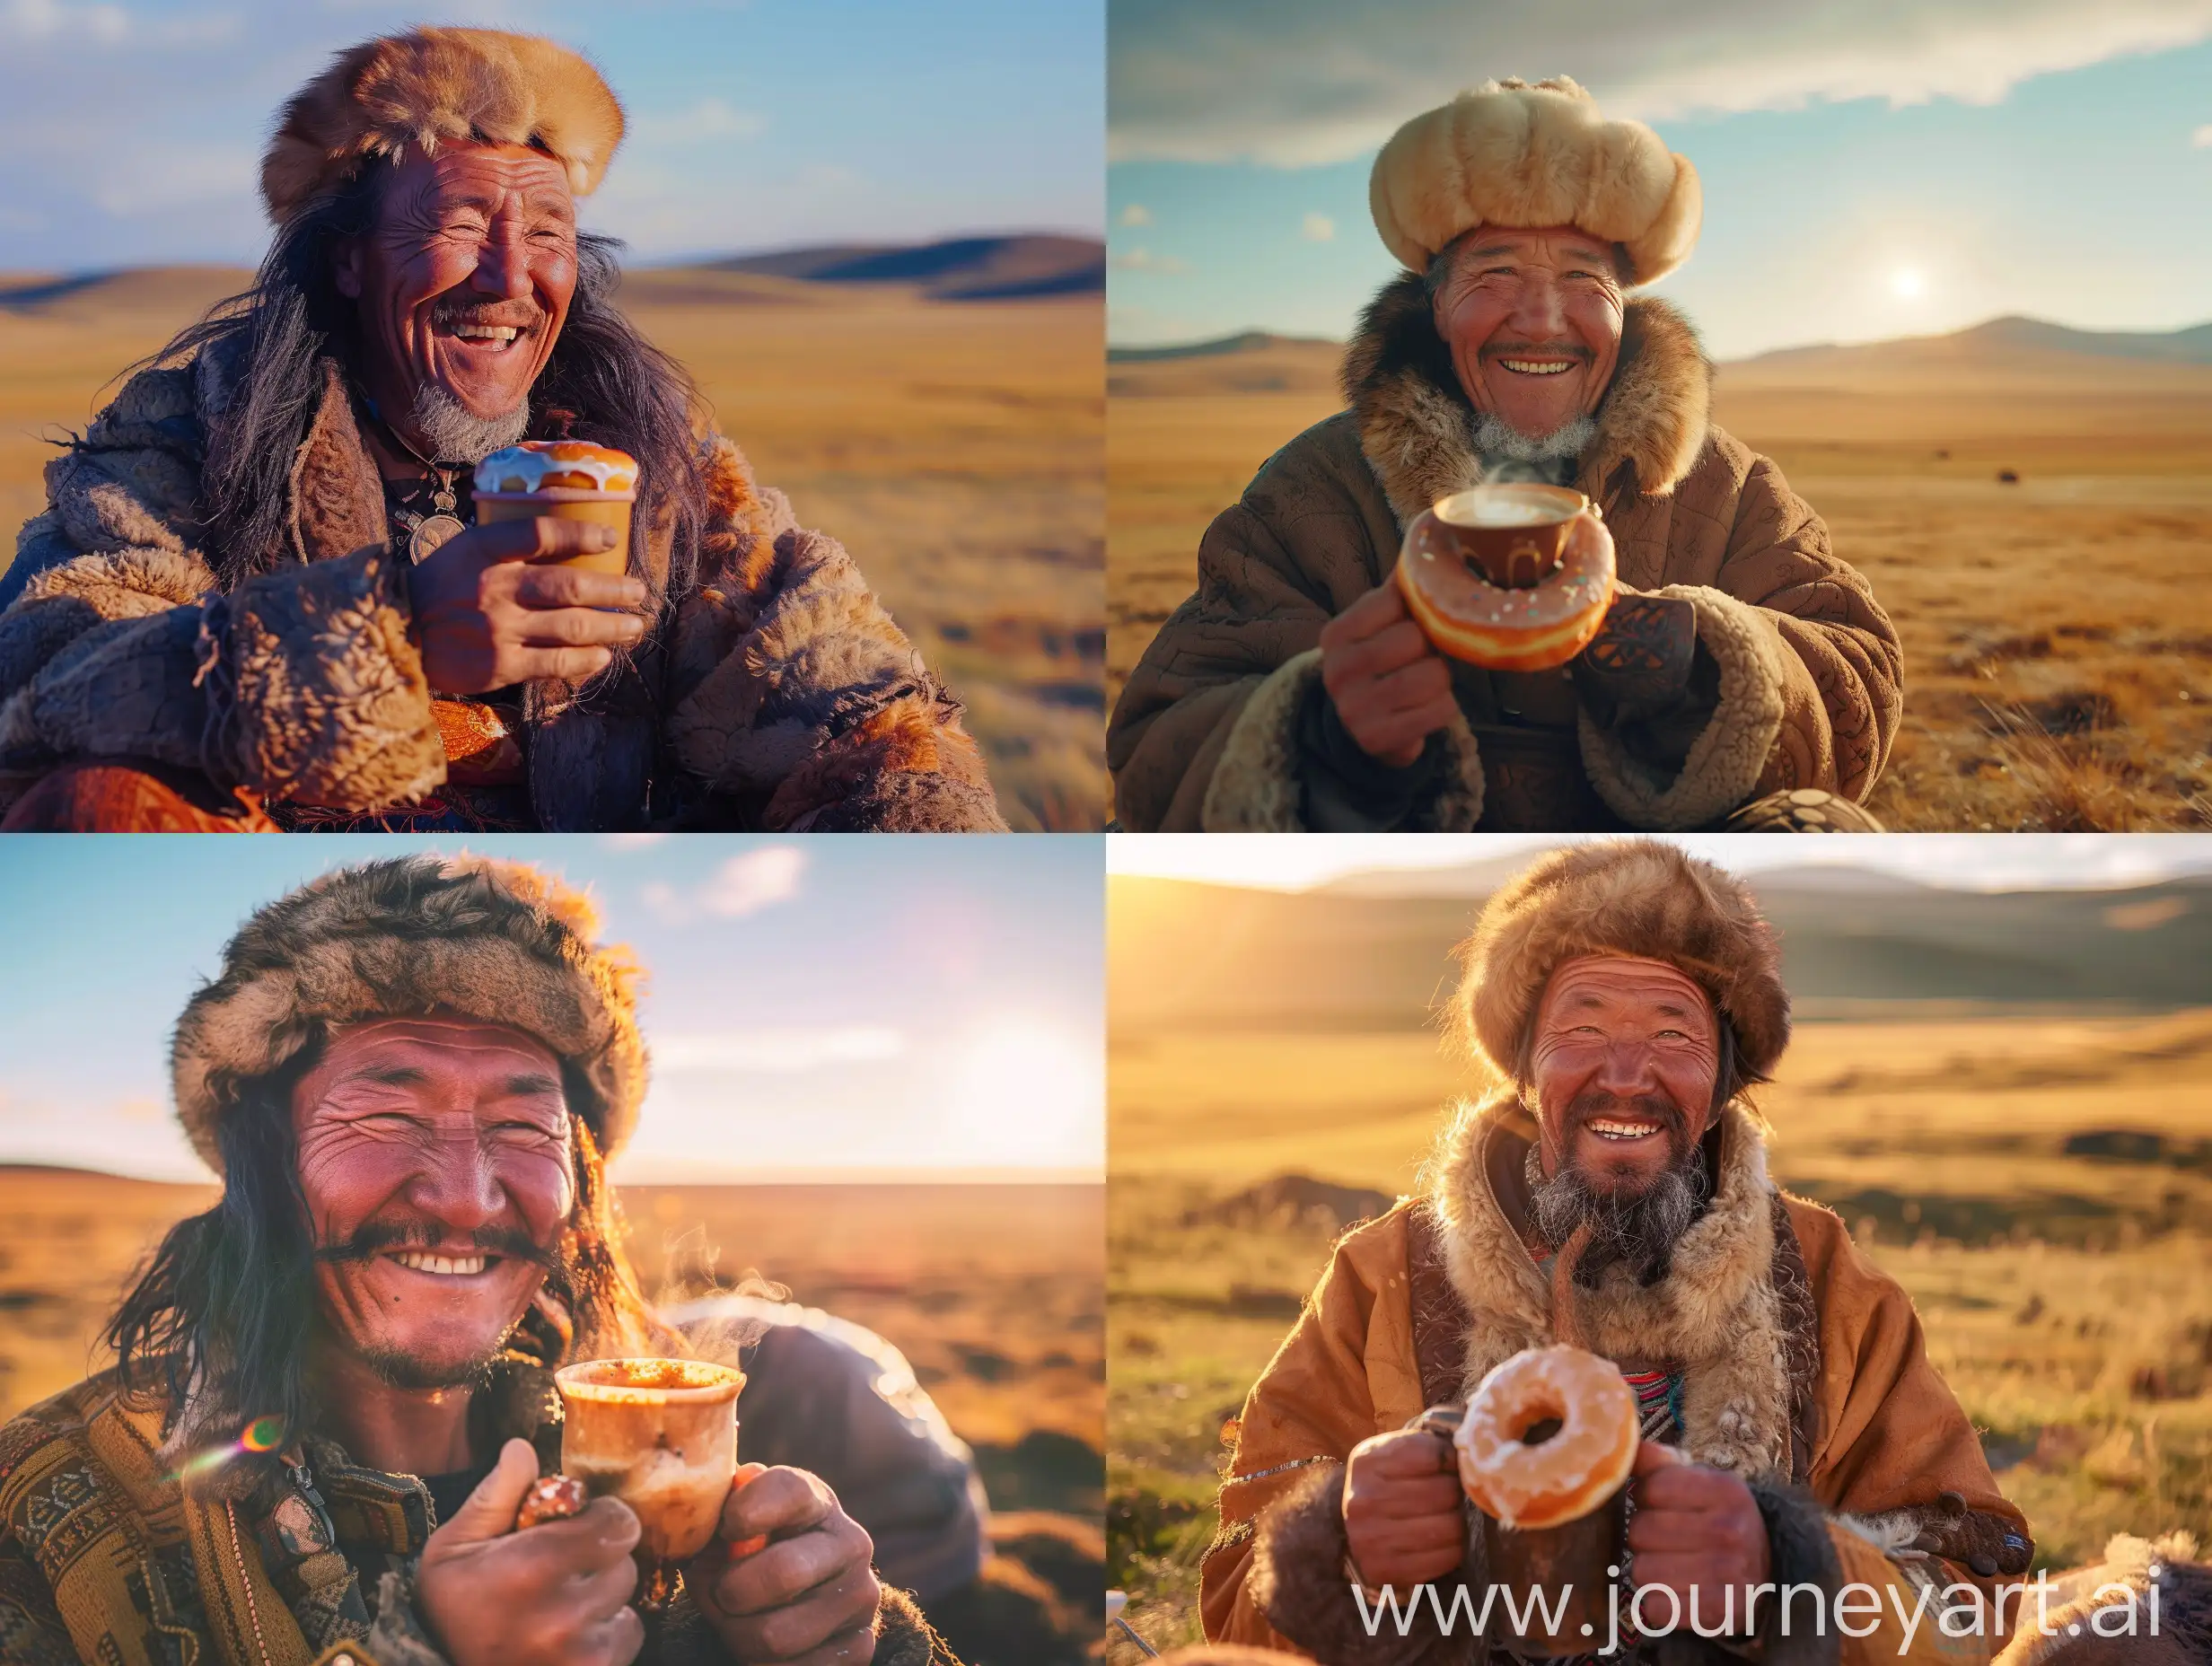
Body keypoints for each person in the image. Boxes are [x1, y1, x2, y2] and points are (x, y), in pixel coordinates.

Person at [0, 28, 1005, 833]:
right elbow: (49, 671)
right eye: (463, 224)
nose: (509, 278)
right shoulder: (185, 442)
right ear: (347, 260)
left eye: (547, 235)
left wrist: (909, 810)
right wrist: (389, 636)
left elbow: (842, 683)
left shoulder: (657, 468)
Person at [0, 855, 983, 1664]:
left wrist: (855, 1640)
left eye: (522, 1125)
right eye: (388, 1112)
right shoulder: (42, 1518)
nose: (466, 1197)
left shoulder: (662, 1482)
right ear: (265, 1160)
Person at [1206, 842, 2036, 1663]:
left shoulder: (1831, 1286)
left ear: (1721, 1089)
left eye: (1675, 1034)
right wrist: (1339, 1553)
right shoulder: (1379, 1279)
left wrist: (1790, 1575)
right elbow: (1234, 1599)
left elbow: (1978, 1600)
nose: (1628, 1073)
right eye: (1584, 1024)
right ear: (1527, 1071)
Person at [1110, 77, 1898, 834]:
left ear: (1625, 310)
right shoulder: (1314, 490)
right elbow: (1158, 750)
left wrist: (1690, 657)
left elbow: (1859, 676)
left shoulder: (1728, 487)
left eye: (1582, 277)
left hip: (1663, 851)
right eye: (1497, 272)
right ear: (1436, 306)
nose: (1541, 319)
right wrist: (1318, 728)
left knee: (1825, 830)